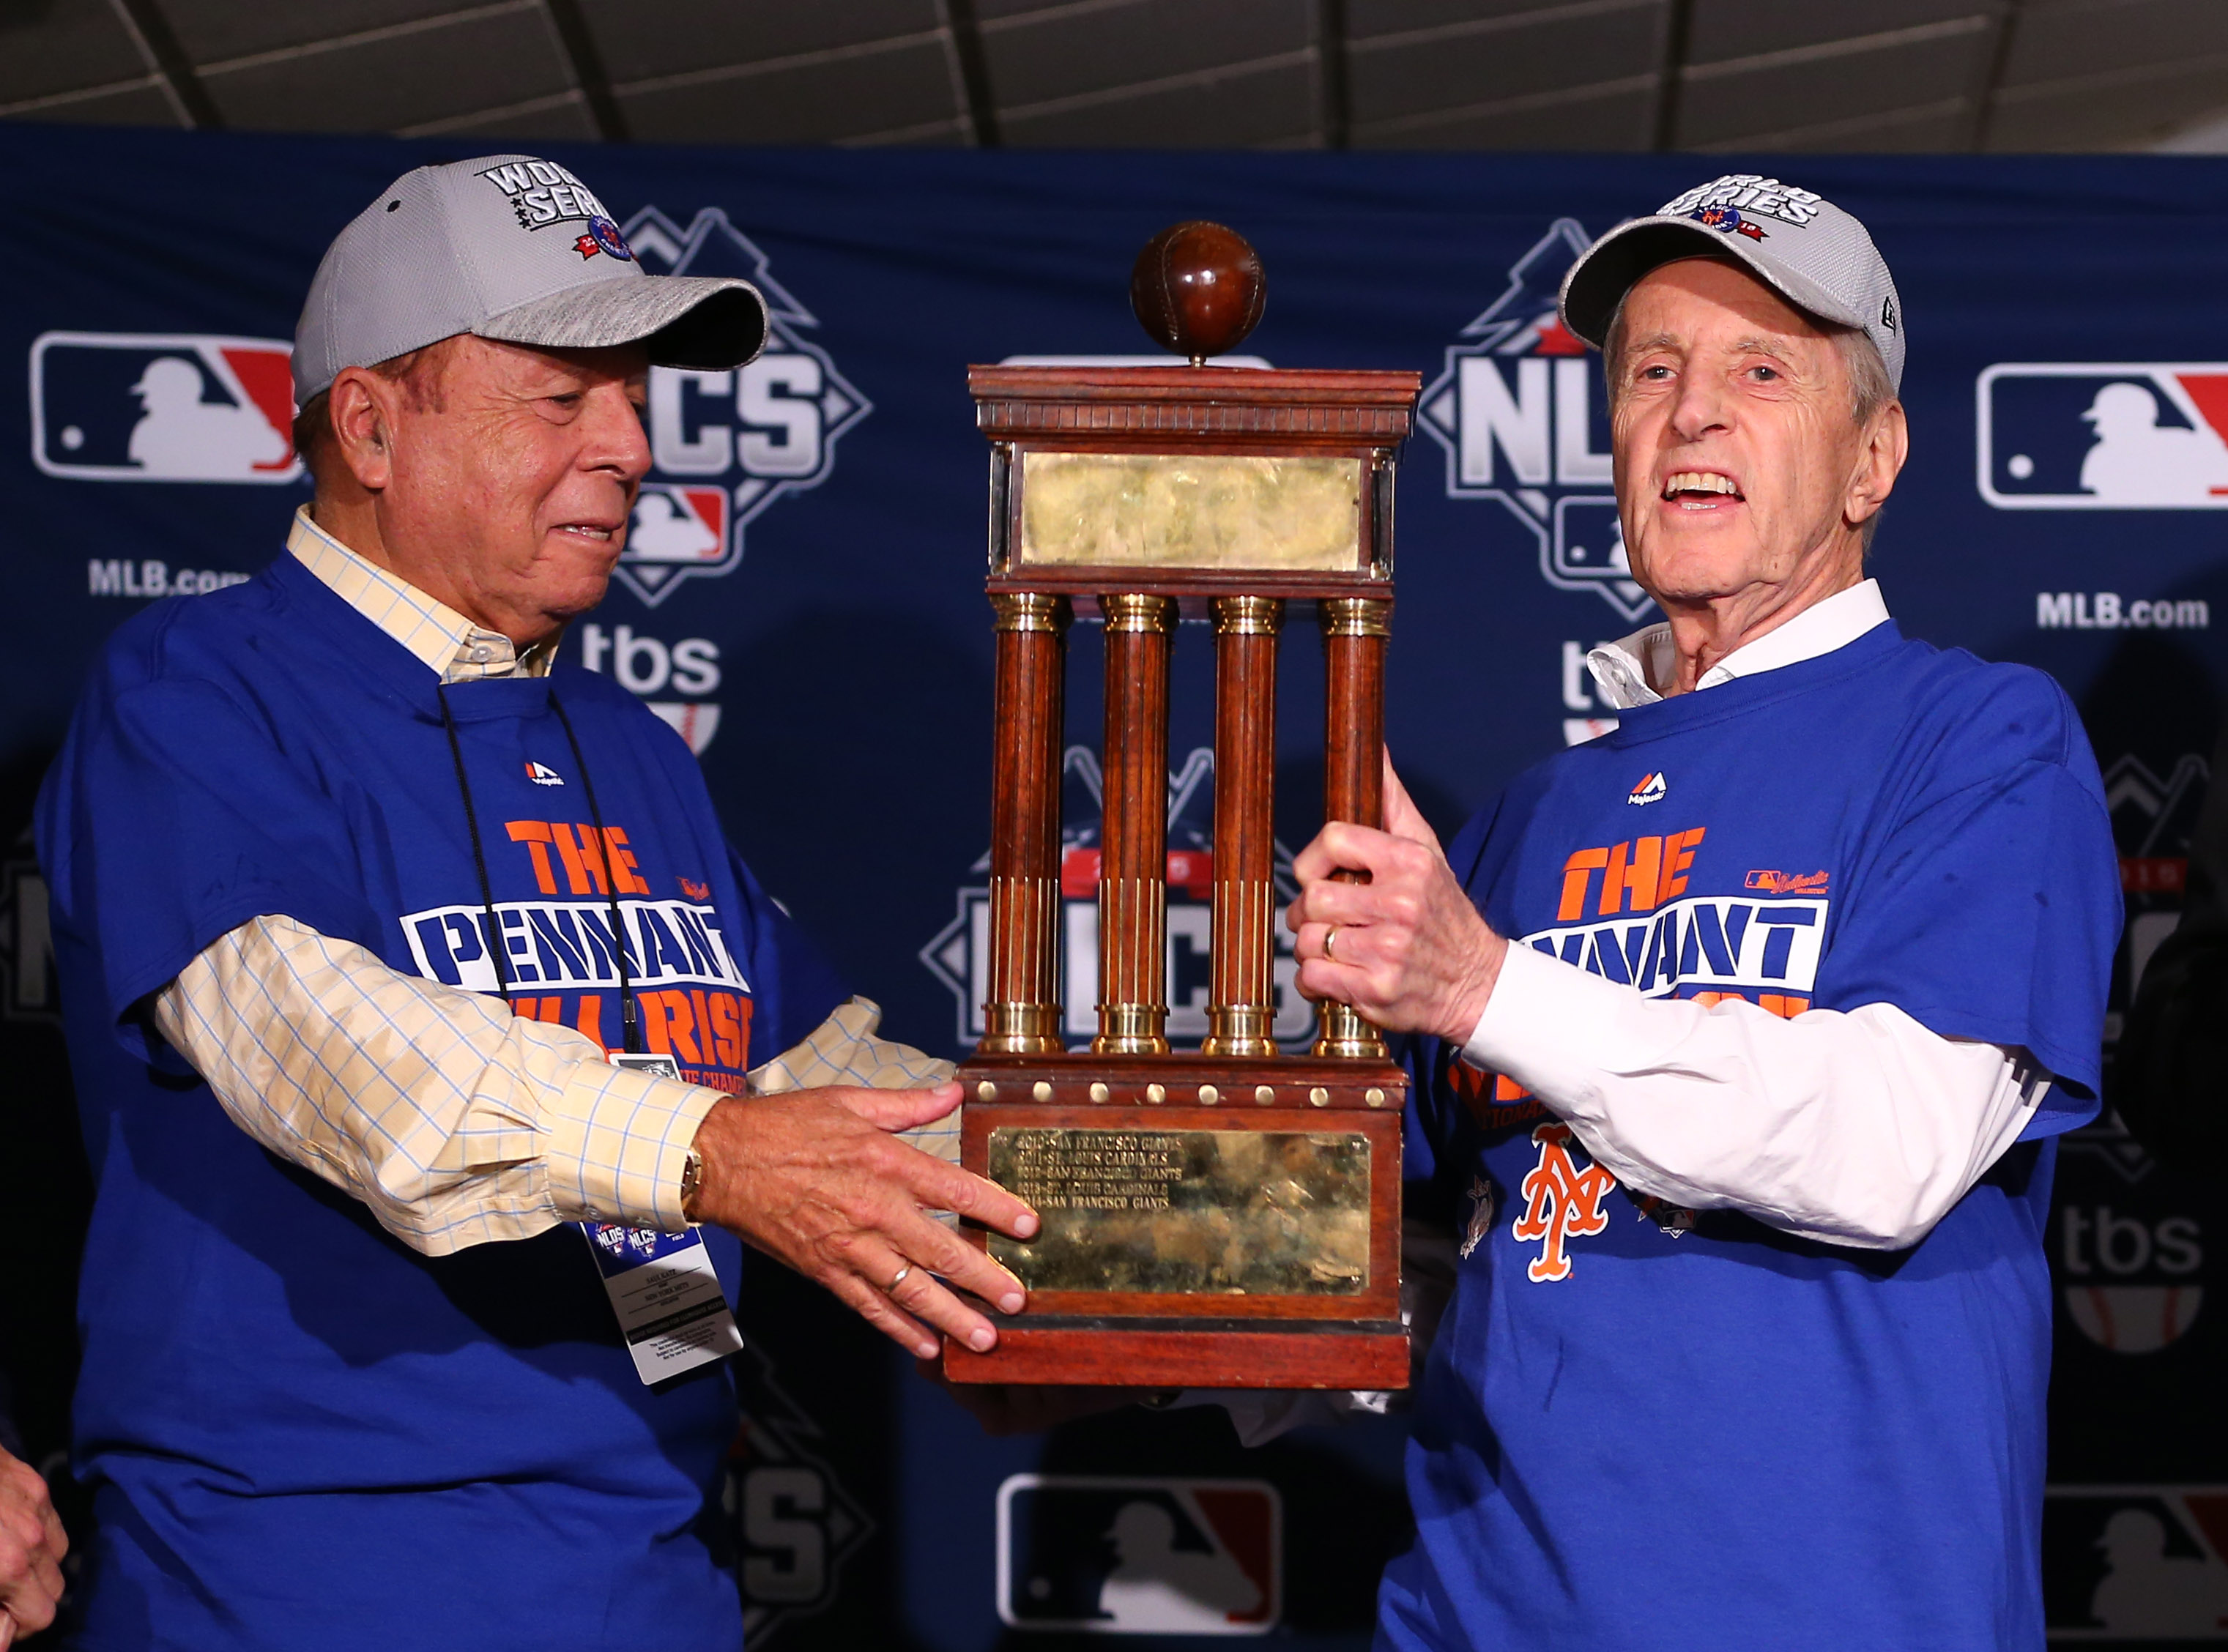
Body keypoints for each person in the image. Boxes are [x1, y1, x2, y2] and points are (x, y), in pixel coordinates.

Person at [37, 154, 1039, 1650]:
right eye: (561, 397)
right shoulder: (197, 692)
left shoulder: (629, 747)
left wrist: (1215, 1232)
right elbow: (338, 1060)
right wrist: (705, 1153)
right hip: (293, 1594)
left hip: (651, 1585)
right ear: (371, 427)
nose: (631, 445)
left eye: (633, 398)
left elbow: (829, 1092)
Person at [1283, 175, 2121, 1647]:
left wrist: (1489, 990)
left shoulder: (1980, 740)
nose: (1693, 413)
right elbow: (1370, 1250)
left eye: (1763, 372)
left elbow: (1891, 1145)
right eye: (1653, 371)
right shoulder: (1524, 822)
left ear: (1874, 458)